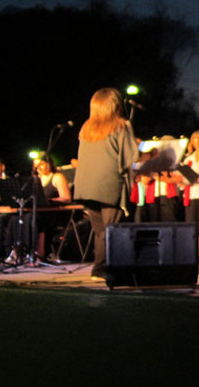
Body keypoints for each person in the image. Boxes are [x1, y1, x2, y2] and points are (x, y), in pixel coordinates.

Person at [73, 87, 139, 280]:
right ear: (116, 105)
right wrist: (151, 155)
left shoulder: (86, 127)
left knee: (101, 231)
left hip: (86, 186)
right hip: (109, 186)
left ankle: (99, 269)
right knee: (113, 230)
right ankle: (113, 269)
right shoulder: (121, 125)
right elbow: (131, 157)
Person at [176, 130, 199, 260]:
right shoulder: (189, 159)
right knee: (194, 224)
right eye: (196, 139)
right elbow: (184, 178)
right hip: (191, 194)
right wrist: (180, 180)